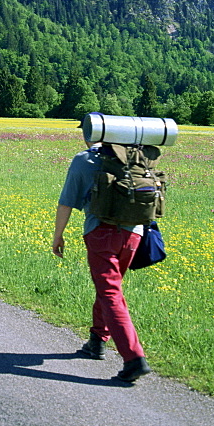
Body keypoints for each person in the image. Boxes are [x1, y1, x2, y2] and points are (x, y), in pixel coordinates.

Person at [52, 142, 151, 384]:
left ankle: (133, 358)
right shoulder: (134, 155)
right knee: (110, 288)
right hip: (134, 234)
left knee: (109, 293)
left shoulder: (84, 159)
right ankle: (97, 341)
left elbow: (67, 201)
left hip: (100, 232)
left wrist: (58, 235)